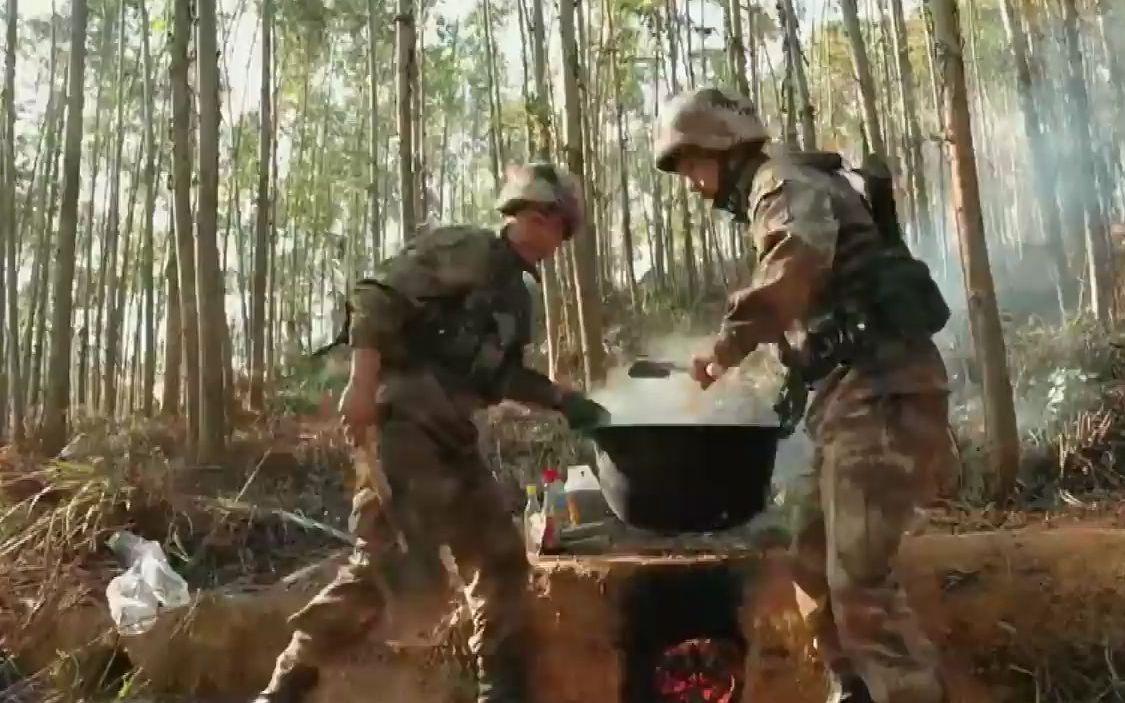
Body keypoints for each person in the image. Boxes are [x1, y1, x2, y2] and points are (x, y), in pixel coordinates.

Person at [254, 162, 609, 703]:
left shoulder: (516, 298)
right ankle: (285, 688)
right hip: (401, 426)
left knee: (500, 561)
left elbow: (498, 374)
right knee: (386, 564)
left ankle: (502, 691)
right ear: (533, 215)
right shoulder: (467, 248)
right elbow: (375, 296)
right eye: (558, 226)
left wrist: (563, 400)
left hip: (451, 436)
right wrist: (362, 379)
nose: (558, 242)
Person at [652, 86, 955, 703]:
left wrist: (725, 348)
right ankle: (855, 689)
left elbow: (795, 263)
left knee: (861, 586)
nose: (690, 183)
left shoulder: (779, 181)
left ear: (720, 145)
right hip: (846, 394)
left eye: (690, 164)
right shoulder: (780, 183)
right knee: (812, 567)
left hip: (883, 389)